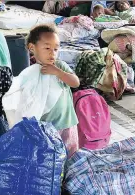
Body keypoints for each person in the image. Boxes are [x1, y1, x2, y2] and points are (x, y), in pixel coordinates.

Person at [26, 24, 80, 156]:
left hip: (67, 123)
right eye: (47, 48)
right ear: (32, 47)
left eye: (56, 49)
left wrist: (57, 72)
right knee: (51, 160)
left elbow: (75, 83)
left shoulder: (59, 65)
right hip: (45, 127)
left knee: (70, 157)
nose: (52, 53)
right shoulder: (30, 71)